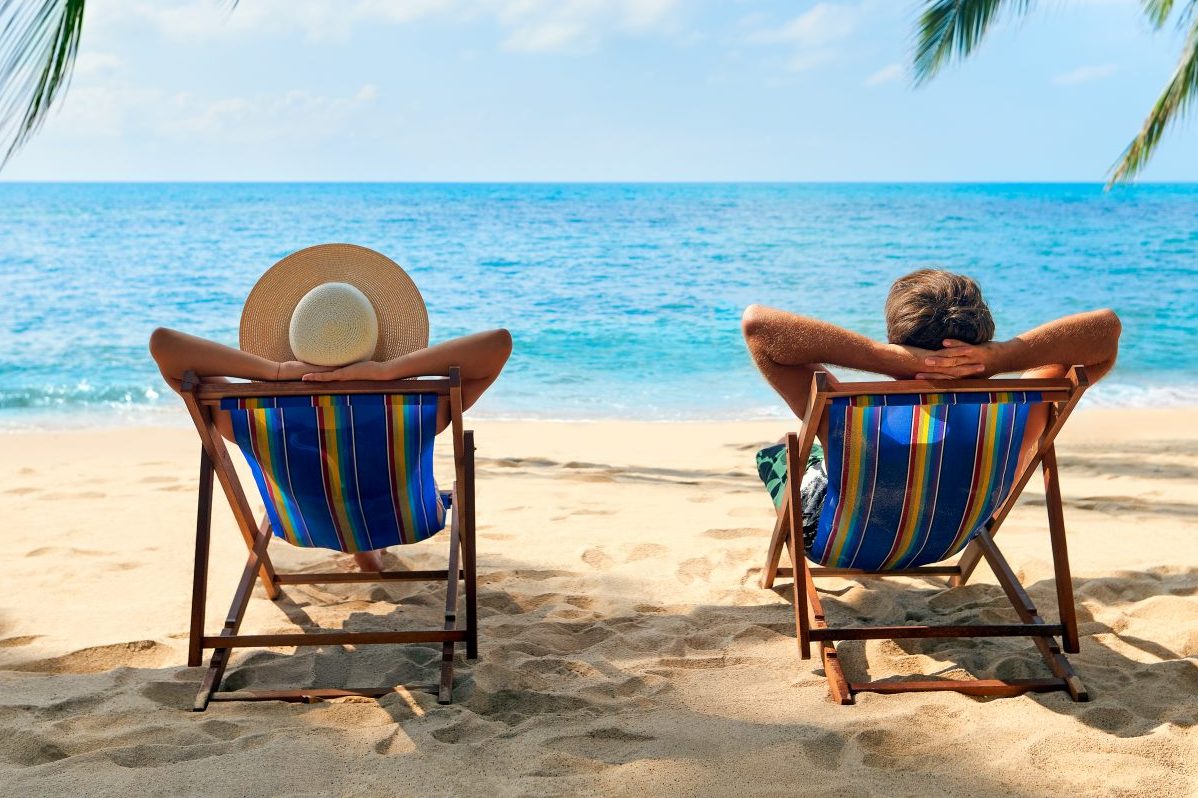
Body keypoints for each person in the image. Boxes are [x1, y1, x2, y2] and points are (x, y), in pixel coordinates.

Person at [150, 245, 512, 572]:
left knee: (331, 470)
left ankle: (362, 550)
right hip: (404, 518)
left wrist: (272, 372)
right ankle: (368, 546)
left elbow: (163, 344)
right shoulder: (417, 410)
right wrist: (387, 372)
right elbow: (498, 343)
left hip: (306, 523)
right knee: (369, 467)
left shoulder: (249, 415)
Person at [741, 268, 1121, 549]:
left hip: (839, 542)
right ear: (984, 336)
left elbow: (759, 326)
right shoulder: (1024, 407)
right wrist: (999, 359)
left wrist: (891, 361)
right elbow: (1105, 332)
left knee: (781, 449)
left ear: (898, 341)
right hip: (955, 536)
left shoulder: (851, 414)